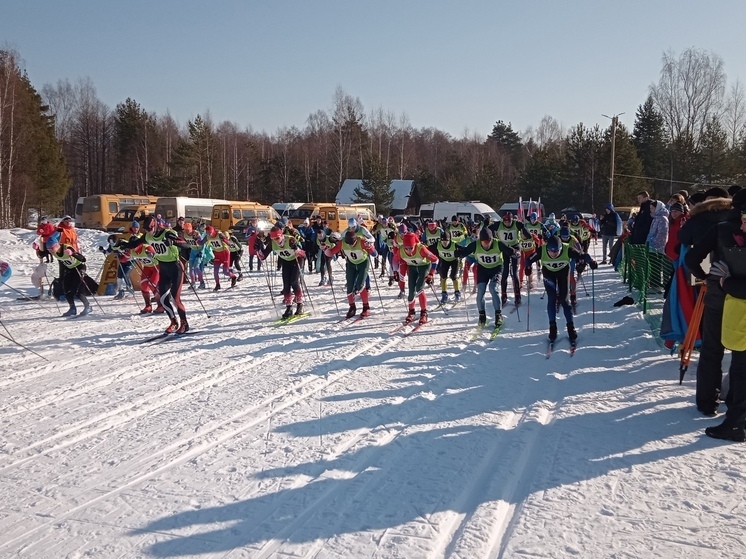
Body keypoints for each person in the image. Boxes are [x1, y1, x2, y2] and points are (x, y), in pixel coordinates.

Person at [698, 190, 746, 441]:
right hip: (728, 299)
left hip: (726, 298)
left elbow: (691, 255)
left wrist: (721, 281)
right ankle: (734, 416)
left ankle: (726, 414)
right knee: (738, 361)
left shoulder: (722, 228)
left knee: (723, 354)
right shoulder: (728, 230)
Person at [120, 215, 190, 334]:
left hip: (175, 267)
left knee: (175, 298)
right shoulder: (147, 236)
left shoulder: (167, 233)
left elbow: (185, 244)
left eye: (149, 229)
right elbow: (136, 243)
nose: (148, 233)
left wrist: (172, 241)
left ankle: (184, 323)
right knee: (163, 298)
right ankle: (173, 322)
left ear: (155, 226)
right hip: (163, 268)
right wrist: (124, 246)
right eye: (146, 230)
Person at [527, 235, 597, 344]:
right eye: (551, 251)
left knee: (564, 300)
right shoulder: (542, 250)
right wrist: (528, 267)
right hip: (549, 274)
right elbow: (529, 259)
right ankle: (552, 327)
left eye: (557, 251)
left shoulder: (567, 249)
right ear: (547, 248)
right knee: (552, 298)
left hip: (563, 273)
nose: (554, 254)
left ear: (561, 248)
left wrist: (591, 261)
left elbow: (582, 255)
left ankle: (570, 327)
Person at [456, 227, 507, 327]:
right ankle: (482, 315)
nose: (486, 244)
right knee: (481, 291)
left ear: (492, 239)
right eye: (484, 242)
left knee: (493, 289)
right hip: (483, 269)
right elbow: (465, 251)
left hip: (496, 269)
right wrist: (458, 254)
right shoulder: (476, 244)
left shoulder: (498, 243)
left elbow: (510, 250)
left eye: (488, 241)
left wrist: (515, 253)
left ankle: (498, 314)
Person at [325, 228, 377, 318]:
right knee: (349, 286)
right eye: (349, 243)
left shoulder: (362, 241)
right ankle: (352, 307)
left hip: (363, 263)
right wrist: (325, 249)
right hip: (351, 264)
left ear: (356, 239)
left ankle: (366, 307)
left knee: (360, 285)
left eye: (352, 243)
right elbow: (331, 253)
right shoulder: (342, 243)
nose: (351, 245)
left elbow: (375, 254)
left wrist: (370, 247)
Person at [256, 226, 306, 319]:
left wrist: (297, 249)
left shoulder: (290, 240)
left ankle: (300, 304)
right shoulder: (272, 243)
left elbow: (303, 254)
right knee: (286, 285)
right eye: (273, 238)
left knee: (294, 281)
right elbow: (263, 257)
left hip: (296, 260)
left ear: (282, 235)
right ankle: (289, 308)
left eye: (277, 238)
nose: (276, 241)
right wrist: (258, 249)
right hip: (286, 262)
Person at [46, 232, 91, 317]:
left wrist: (73, 253)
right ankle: (72, 308)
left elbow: (83, 259)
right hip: (69, 269)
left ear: (57, 245)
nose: (50, 251)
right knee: (66, 289)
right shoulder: (55, 253)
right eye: (49, 250)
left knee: (78, 291)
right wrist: (61, 276)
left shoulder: (67, 248)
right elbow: (61, 263)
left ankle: (88, 306)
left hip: (79, 267)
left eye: (51, 248)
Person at [397, 232, 438, 324]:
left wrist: (431, 274)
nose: (409, 250)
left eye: (411, 248)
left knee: (419, 288)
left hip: (424, 266)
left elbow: (435, 260)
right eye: (406, 248)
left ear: (415, 244)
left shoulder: (421, 249)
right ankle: (411, 312)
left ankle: (424, 312)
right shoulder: (401, 250)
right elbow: (395, 260)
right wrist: (396, 272)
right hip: (412, 267)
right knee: (411, 290)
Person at [490, 212, 525, 306]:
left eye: (509, 221)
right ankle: (503, 295)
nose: (507, 223)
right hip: (504, 248)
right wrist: (492, 236)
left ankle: (517, 296)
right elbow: (488, 230)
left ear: (511, 219)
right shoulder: (498, 224)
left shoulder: (516, 223)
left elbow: (527, 233)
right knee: (504, 272)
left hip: (515, 248)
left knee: (514, 273)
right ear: (503, 220)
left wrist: (523, 227)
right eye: (505, 221)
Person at [431, 230, 461, 304]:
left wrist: (460, 253)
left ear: (449, 240)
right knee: (443, 277)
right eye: (443, 241)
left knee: (453, 276)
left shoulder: (454, 244)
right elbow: (428, 248)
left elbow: (464, 250)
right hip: (444, 261)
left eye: (446, 241)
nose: (444, 243)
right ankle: (444, 294)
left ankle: (457, 293)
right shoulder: (437, 244)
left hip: (454, 261)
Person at [205, 225, 237, 291]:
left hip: (225, 253)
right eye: (208, 233)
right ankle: (217, 284)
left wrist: (229, 243)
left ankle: (233, 277)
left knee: (225, 272)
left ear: (213, 231)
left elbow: (227, 241)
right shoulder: (208, 236)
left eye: (210, 233)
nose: (209, 234)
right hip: (217, 254)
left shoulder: (219, 235)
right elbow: (201, 242)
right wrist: (196, 241)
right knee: (215, 272)